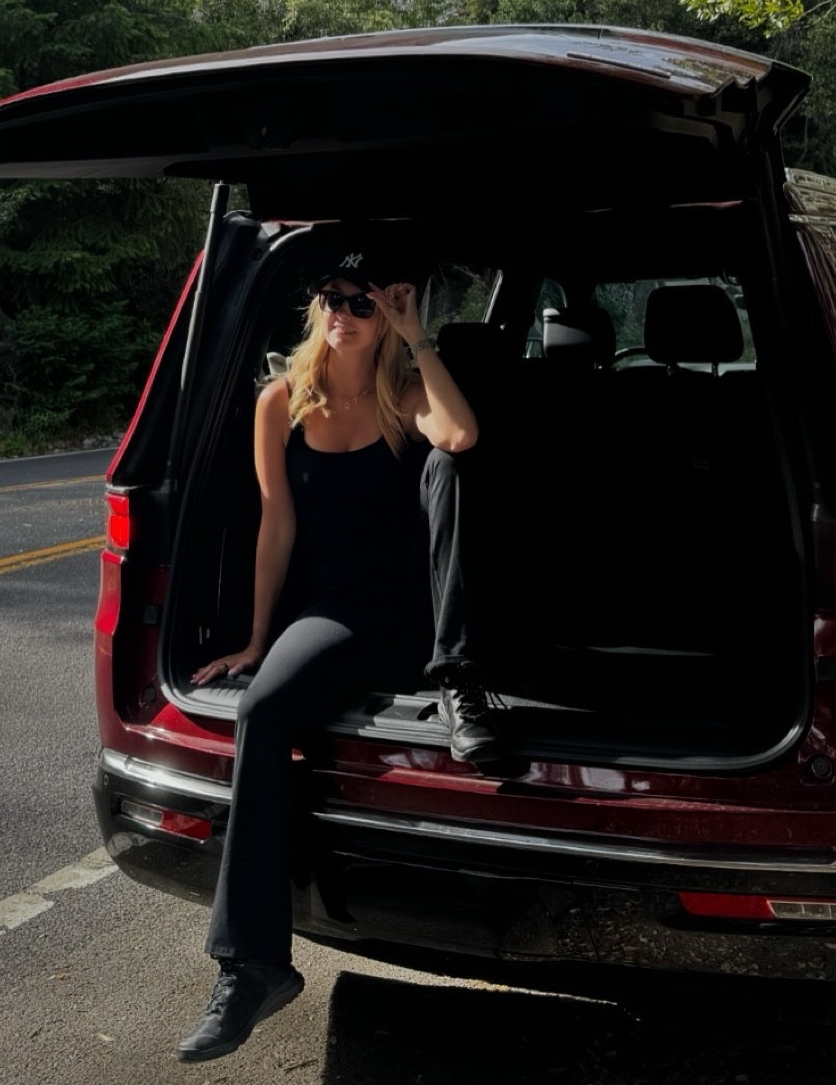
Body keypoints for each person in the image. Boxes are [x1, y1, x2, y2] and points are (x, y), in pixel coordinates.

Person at [175, 253, 501, 1063]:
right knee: (260, 710)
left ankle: (458, 677)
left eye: (363, 302)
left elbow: (460, 435)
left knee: (448, 468)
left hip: (420, 617)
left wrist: (415, 336)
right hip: (338, 615)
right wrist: (255, 638)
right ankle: (251, 967)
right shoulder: (280, 402)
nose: (344, 312)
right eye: (332, 298)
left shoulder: (404, 389)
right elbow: (274, 526)